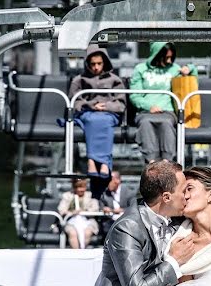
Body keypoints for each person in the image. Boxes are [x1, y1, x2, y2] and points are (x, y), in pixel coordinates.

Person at [68, 45, 126, 189]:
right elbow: (73, 101)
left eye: (99, 64)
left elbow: (121, 103)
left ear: (104, 62)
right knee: (93, 120)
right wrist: (91, 105)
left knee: (103, 120)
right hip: (89, 112)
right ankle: (98, 162)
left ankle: (97, 161)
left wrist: (106, 106)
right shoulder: (79, 80)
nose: (96, 67)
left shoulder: (115, 80)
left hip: (109, 113)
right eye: (93, 64)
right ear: (87, 64)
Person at [129, 42, 196, 164]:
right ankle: (151, 160)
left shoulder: (174, 69)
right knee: (145, 123)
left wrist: (190, 68)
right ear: (156, 55)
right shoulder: (140, 69)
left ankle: (167, 160)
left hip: (167, 111)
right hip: (146, 111)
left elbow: (193, 76)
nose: (169, 61)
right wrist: (149, 106)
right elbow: (134, 95)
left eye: (171, 57)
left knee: (166, 123)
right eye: (166, 58)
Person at [57, 178, 101, 249]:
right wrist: (72, 212)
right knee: (73, 233)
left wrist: (83, 211)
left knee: (87, 233)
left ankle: (82, 252)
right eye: (77, 187)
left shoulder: (91, 196)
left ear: (85, 187)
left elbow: (95, 209)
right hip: (70, 222)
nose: (79, 190)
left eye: (82, 187)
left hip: (88, 221)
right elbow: (61, 210)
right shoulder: (67, 196)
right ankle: (77, 255)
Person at [97, 171, 136, 236]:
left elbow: (134, 208)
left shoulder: (129, 193)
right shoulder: (104, 194)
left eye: (109, 181)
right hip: (109, 222)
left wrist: (123, 210)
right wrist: (104, 209)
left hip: (125, 220)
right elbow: (101, 207)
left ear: (117, 181)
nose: (107, 183)